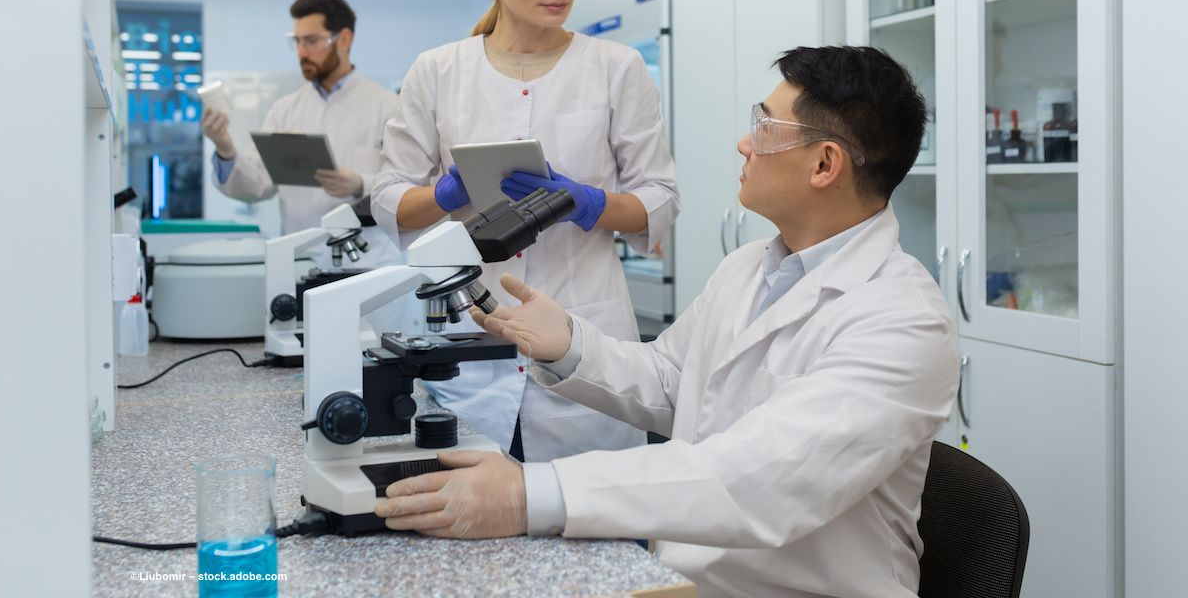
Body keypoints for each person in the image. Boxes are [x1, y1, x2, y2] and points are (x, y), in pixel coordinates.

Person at [374, 46, 961, 598]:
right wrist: (568, 345)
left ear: (824, 163)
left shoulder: (902, 321)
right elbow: (674, 381)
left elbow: (760, 479)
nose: (743, 144)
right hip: (685, 577)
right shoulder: (751, 265)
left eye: (763, 128)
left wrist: (528, 494)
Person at [370, 0, 679, 464]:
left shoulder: (617, 67)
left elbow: (659, 199)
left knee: (595, 528)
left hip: (585, 340)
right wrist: (445, 193)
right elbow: (388, 199)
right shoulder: (437, 71)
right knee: (468, 520)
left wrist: (586, 201)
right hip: (469, 345)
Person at [202, 0, 405, 325]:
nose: (301, 52)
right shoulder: (285, 111)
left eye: (311, 41)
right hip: (302, 268)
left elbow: (410, 187)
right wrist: (225, 147)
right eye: (296, 41)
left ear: (344, 39)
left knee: (374, 368)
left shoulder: (387, 107)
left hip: (370, 274)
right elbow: (257, 184)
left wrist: (360, 184)